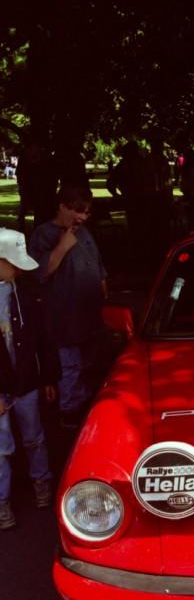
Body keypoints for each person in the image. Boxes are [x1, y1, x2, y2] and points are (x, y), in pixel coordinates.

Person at [30, 184, 108, 428]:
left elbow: (97, 264)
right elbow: (40, 273)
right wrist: (63, 246)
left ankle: (86, 405)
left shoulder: (84, 232)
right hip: (65, 318)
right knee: (70, 366)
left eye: (87, 212)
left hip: (91, 316)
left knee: (89, 363)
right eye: (78, 210)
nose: (83, 217)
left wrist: (103, 287)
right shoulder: (43, 234)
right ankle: (70, 412)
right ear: (62, 206)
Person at [0, 228, 59, 529]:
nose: (20, 269)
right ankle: (2, 501)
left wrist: (48, 376)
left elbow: (43, 338)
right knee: (1, 447)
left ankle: (41, 481)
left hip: (27, 382)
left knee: (34, 436)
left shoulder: (28, 294)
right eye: (14, 263)